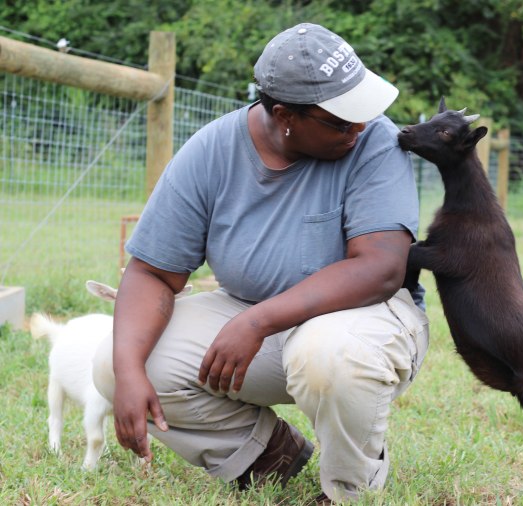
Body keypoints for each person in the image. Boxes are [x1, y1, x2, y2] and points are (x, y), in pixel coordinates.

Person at [92, 23, 429, 503]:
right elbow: (151, 273)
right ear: (284, 114)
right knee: (115, 362)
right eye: (341, 119)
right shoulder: (212, 150)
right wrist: (128, 372)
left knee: (330, 354)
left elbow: (381, 269)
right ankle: (267, 456)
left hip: (368, 320)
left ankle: (351, 489)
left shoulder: (373, 142)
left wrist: (257, 320)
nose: (359, 126)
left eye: (361, 110)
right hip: (255, 317)